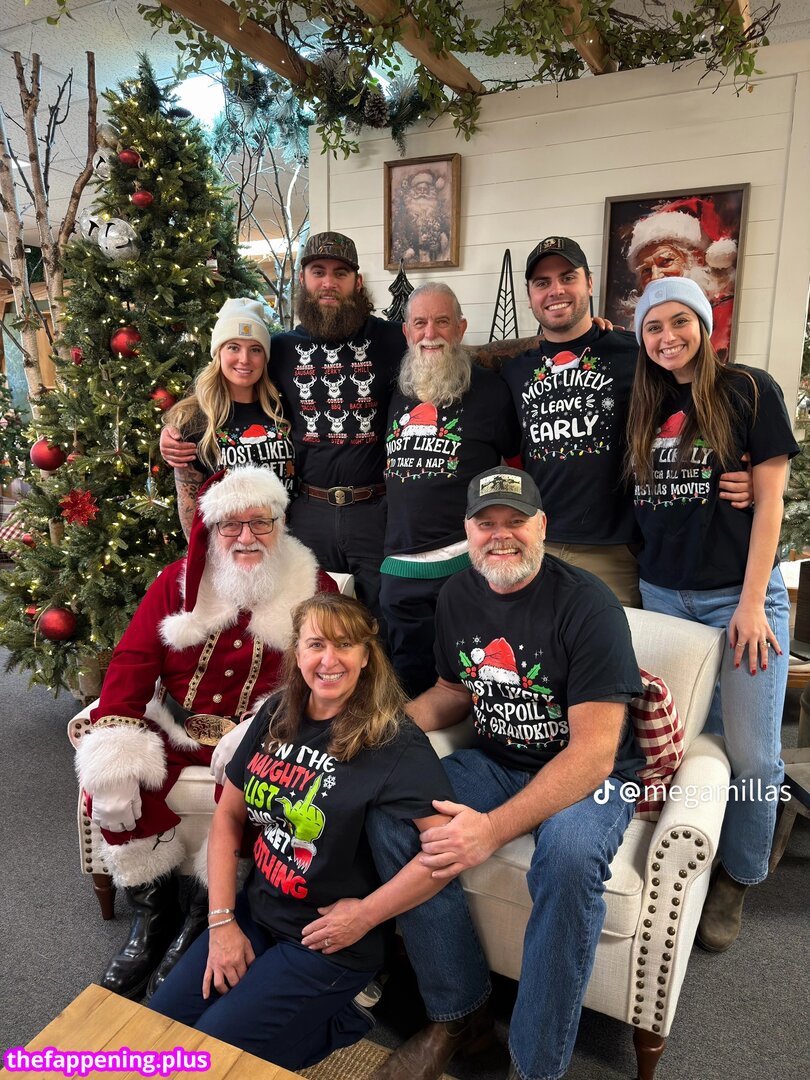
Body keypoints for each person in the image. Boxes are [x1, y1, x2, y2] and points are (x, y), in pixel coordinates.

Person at [368, 465, 644, 1080]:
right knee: (393, 813)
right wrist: (385, 731)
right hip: (496, 761)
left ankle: (535, 1066)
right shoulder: (457, 595)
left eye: (515, 522)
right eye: (486, 522)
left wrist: (490, 830)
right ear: (467, 532)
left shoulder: (589, 605)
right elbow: (452, 691)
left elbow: (594, 754)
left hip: (590, 779)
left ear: (541, 526)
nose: (501, 535)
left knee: (569, 860)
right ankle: (460, 1015)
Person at [148, 593, 456, 1073]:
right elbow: (229, 818)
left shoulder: (394, 739)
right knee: (157, 1029)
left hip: (328, 941)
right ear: (297, 652)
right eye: (316, 644)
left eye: (345, 644)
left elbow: (446, 854)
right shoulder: (277, 712)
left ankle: (349, 1013)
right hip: (257, 911)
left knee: (211, 1059)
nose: (329, 660)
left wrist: (366, 915)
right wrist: (222, 923)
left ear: (366, 655)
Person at [75, 467, 337, 1000]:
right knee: (117, 776)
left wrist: (265, 725)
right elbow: (133, 659)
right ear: (211, 529)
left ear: (280, 522)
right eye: (229, 525)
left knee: (255, 797)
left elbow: (330, 677)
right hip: (177, 728)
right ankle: (152, 915)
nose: (245, 537)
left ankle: (202, 913)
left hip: (261, 738)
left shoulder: (316, 587)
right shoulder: (176, 581)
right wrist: (114, 748)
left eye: (260, 523)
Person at [627, 276, 799, 951]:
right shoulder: (643, 402)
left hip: (739, 595)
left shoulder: (749, 389)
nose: (668, 337)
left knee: (753, 752)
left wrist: (753, 603)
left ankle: (740, 873)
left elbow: (772, 501)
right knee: (690, 742)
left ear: (705, 325)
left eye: (680, 321)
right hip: (663, 597)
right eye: (653, 326)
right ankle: (696, 849)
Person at [499, 235, 752, 607]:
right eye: (542, 282)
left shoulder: (639, 355)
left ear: (589, 283)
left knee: (618, 645)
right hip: (537, 541)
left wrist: (749, 475)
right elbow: (511, 455)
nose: (556, 290)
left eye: (568, 277)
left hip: (617, 551)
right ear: (530, 295)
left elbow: (696, 409)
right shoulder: (513, 372)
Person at [381, 282, 520, 696]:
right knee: (408, 680)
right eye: (420, 323)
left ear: (460, 328)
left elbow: (517, 467)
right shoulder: (394, 390)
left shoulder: (492, 390)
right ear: (406, 332)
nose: (430, 333)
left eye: (442, 322)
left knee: (471, 680)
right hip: (400, 565)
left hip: (465, 562)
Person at [163, 297, 295, 538]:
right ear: (218, 353)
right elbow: (190, 512)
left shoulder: (283, 408)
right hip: (228, 550)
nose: (244, 359)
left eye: (255, 349)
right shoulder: (192, 420)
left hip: (286, 546)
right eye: (233, 347)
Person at [623, 197, 738, 360]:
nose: (655, 277)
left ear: (697, 259)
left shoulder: (724, 314)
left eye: (666, 262)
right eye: (646, 270)